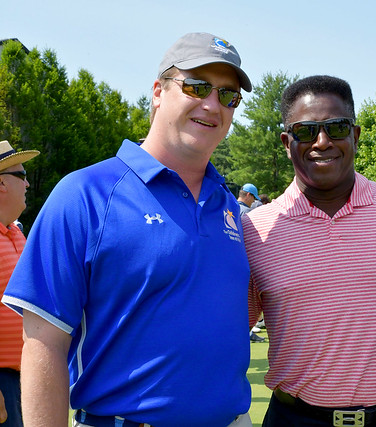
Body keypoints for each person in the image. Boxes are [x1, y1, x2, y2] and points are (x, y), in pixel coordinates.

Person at [2, 32, 254, 427]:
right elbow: (43, 346)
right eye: (197, 86)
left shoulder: (229, 206)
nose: (212, 104)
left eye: (228, 95)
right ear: (158, 91)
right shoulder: (85, 194)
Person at [242, 75, 376, 426]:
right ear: (287, 142)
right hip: (295, 419)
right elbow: (228, 329)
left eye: (336, 127)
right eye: (306, 131)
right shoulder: (255, 230)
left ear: (355, 135)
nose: (322, 141)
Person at [0, 140, 39, 427]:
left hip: (21, 379)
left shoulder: (16, 232)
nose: (27, 185)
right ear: (2, 184)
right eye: (22, 176)